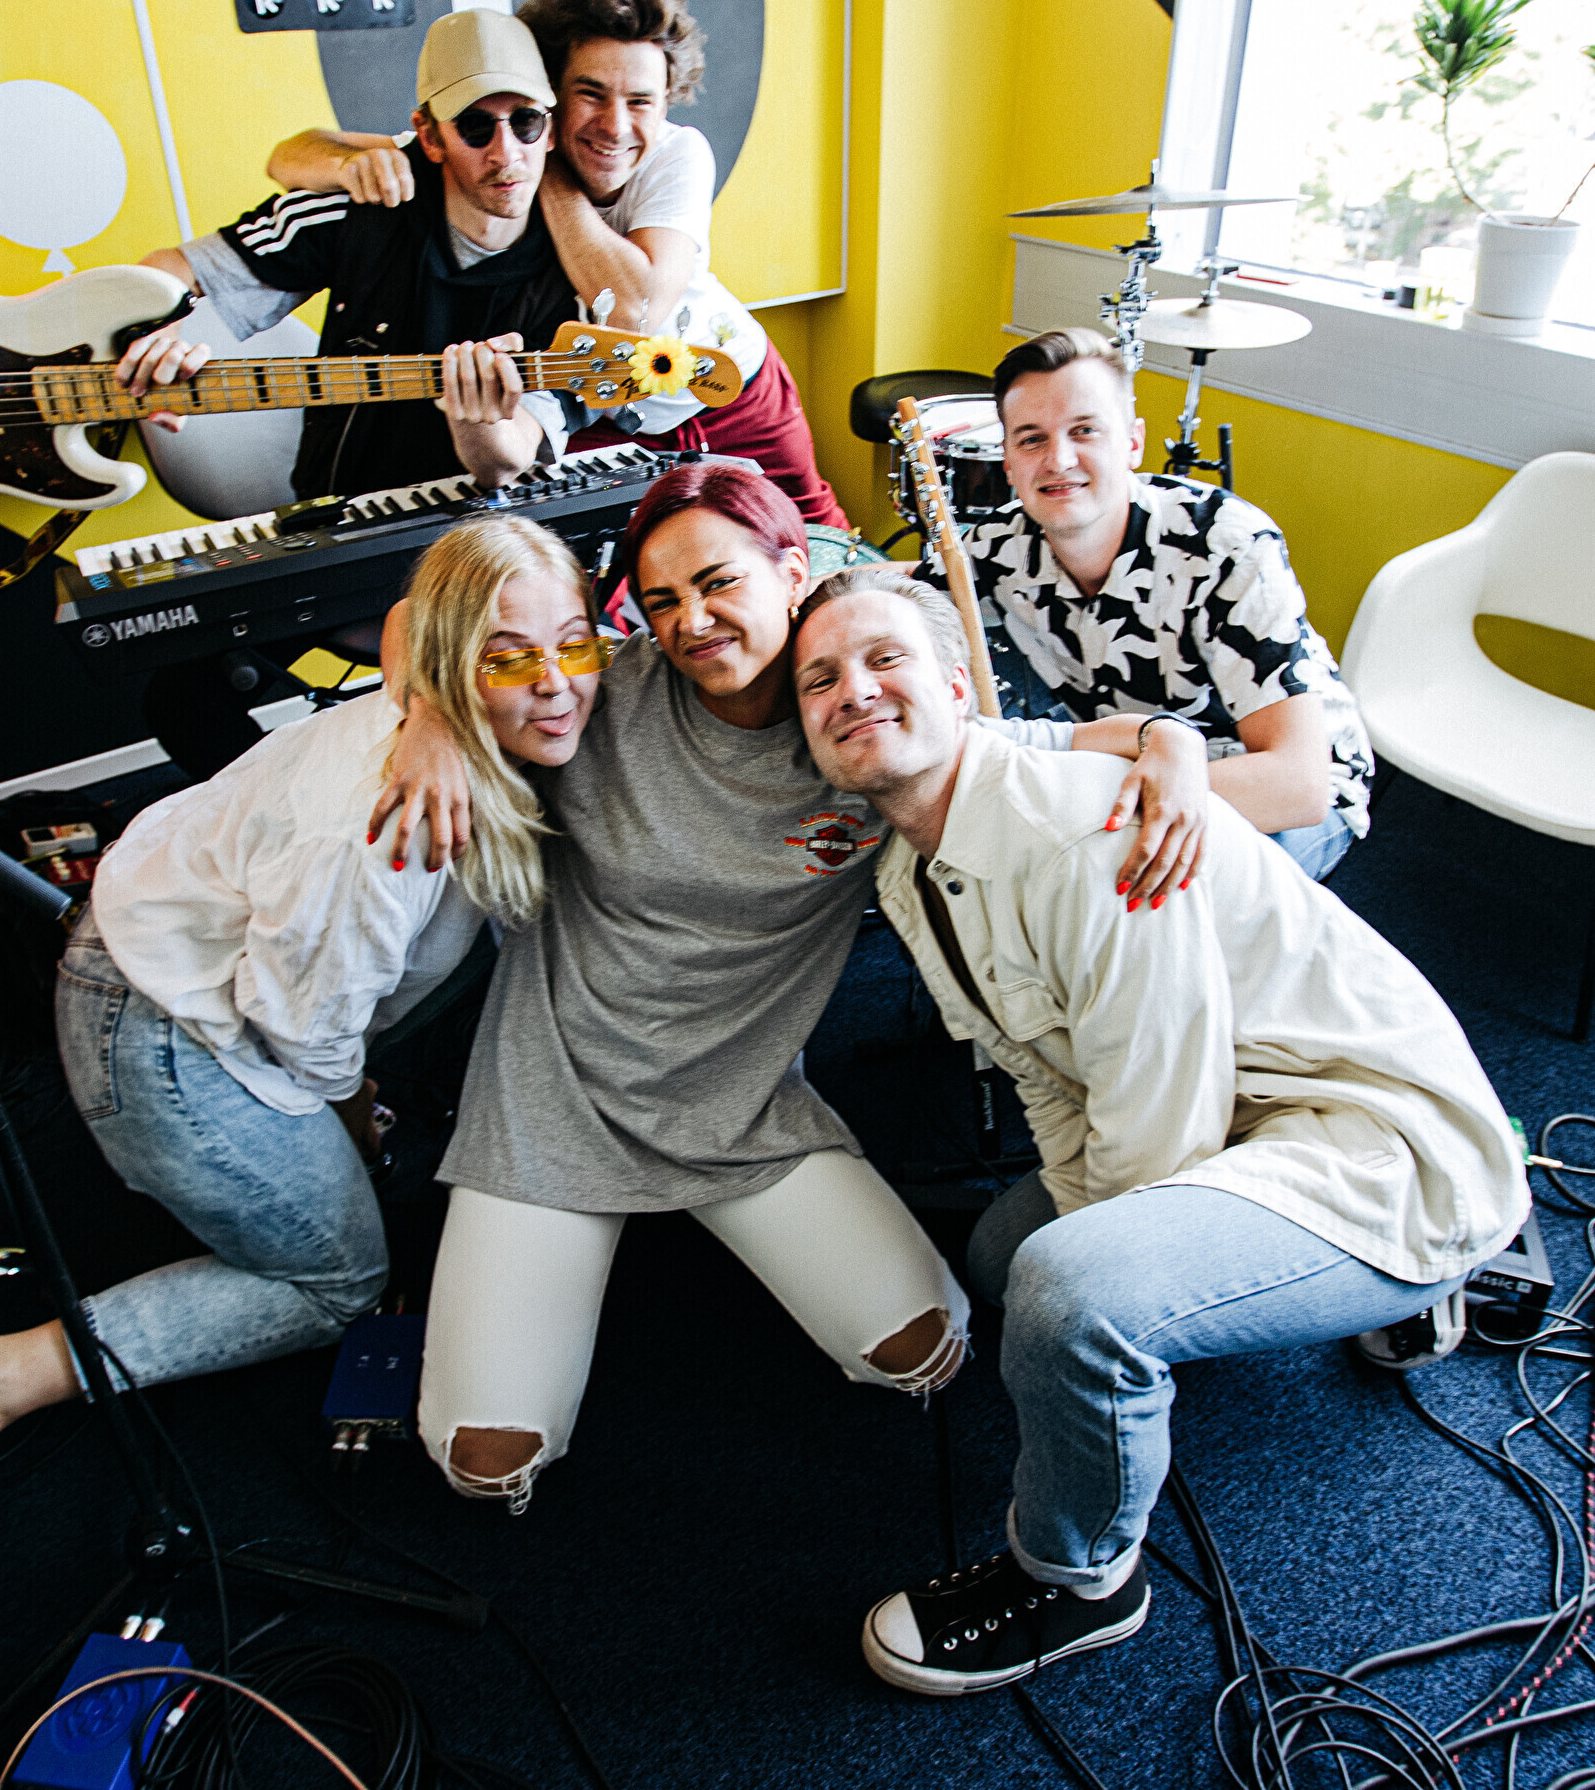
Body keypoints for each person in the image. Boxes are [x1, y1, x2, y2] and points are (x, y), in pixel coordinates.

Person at [373, 464, 1212, 1511]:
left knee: (923, 1354)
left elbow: (1060, 746)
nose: (692, 620)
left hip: (742, 1098)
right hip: (555, 1092)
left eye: (718, 582)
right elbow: (426, 613)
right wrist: (429, 712)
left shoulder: (858, 728)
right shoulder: (599, 690)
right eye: (662, 599)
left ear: (792, 569)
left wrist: (1172, 742)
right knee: (486, 1461)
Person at [788, 566, 1528, 1694]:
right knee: (1004, 1255)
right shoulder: (910, 867)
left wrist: (1092, 1282)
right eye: (820, 680)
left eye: (885, 658)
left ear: (957, 685)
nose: (853, 690)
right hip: (1238, 1108)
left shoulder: (1078, 827)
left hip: (1377, 1138)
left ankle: (1080, 1578)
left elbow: (1159, 1119)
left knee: (1070, 1293)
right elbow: (1042, 1074)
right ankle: (1222, 1305)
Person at [0, 515, 607, 1618]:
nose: (555, 684)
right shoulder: (384, 835)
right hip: (163, 1032)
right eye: (506, 659)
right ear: (452, 660)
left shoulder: (451, 699)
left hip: (201, 964)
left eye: (574, 643)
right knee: (337, 1281)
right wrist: (352, 1119)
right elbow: (302, 1030)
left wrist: (441, 707)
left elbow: (413, 609)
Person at [268, 0, 847, 528]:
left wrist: (550, 179)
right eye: (591, 94)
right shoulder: (507, 141)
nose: (615, 126)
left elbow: (634, 310)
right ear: (550, 93)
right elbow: (291, 155)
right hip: (597, 409)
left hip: (727, 389)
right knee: (599, 558)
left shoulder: (676, 152)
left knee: (810, 531)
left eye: (641, 101)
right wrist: (345, 168)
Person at [917, 326, 1377, 879]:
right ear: (1009, 464)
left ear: (1133, 442)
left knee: (1140, 899)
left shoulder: (1226, 542)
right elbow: (902, 593)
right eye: (1031, 439)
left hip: (1284, 784)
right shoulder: (997, 546)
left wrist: (1093, 810)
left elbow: (1297, 785)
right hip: (1139, 760)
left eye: (1085, 430)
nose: (1058, 459)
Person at [112, 8, 581, 502]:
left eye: (526, 122)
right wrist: (155, 333)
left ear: (551, 130)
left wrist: (478, 423)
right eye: (475, 127)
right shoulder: (362, 206)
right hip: (342, 512)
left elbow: (505, 461)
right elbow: (171, 268)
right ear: (429, 137)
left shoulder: (579, 260)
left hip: (489, 525)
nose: (506, 153)